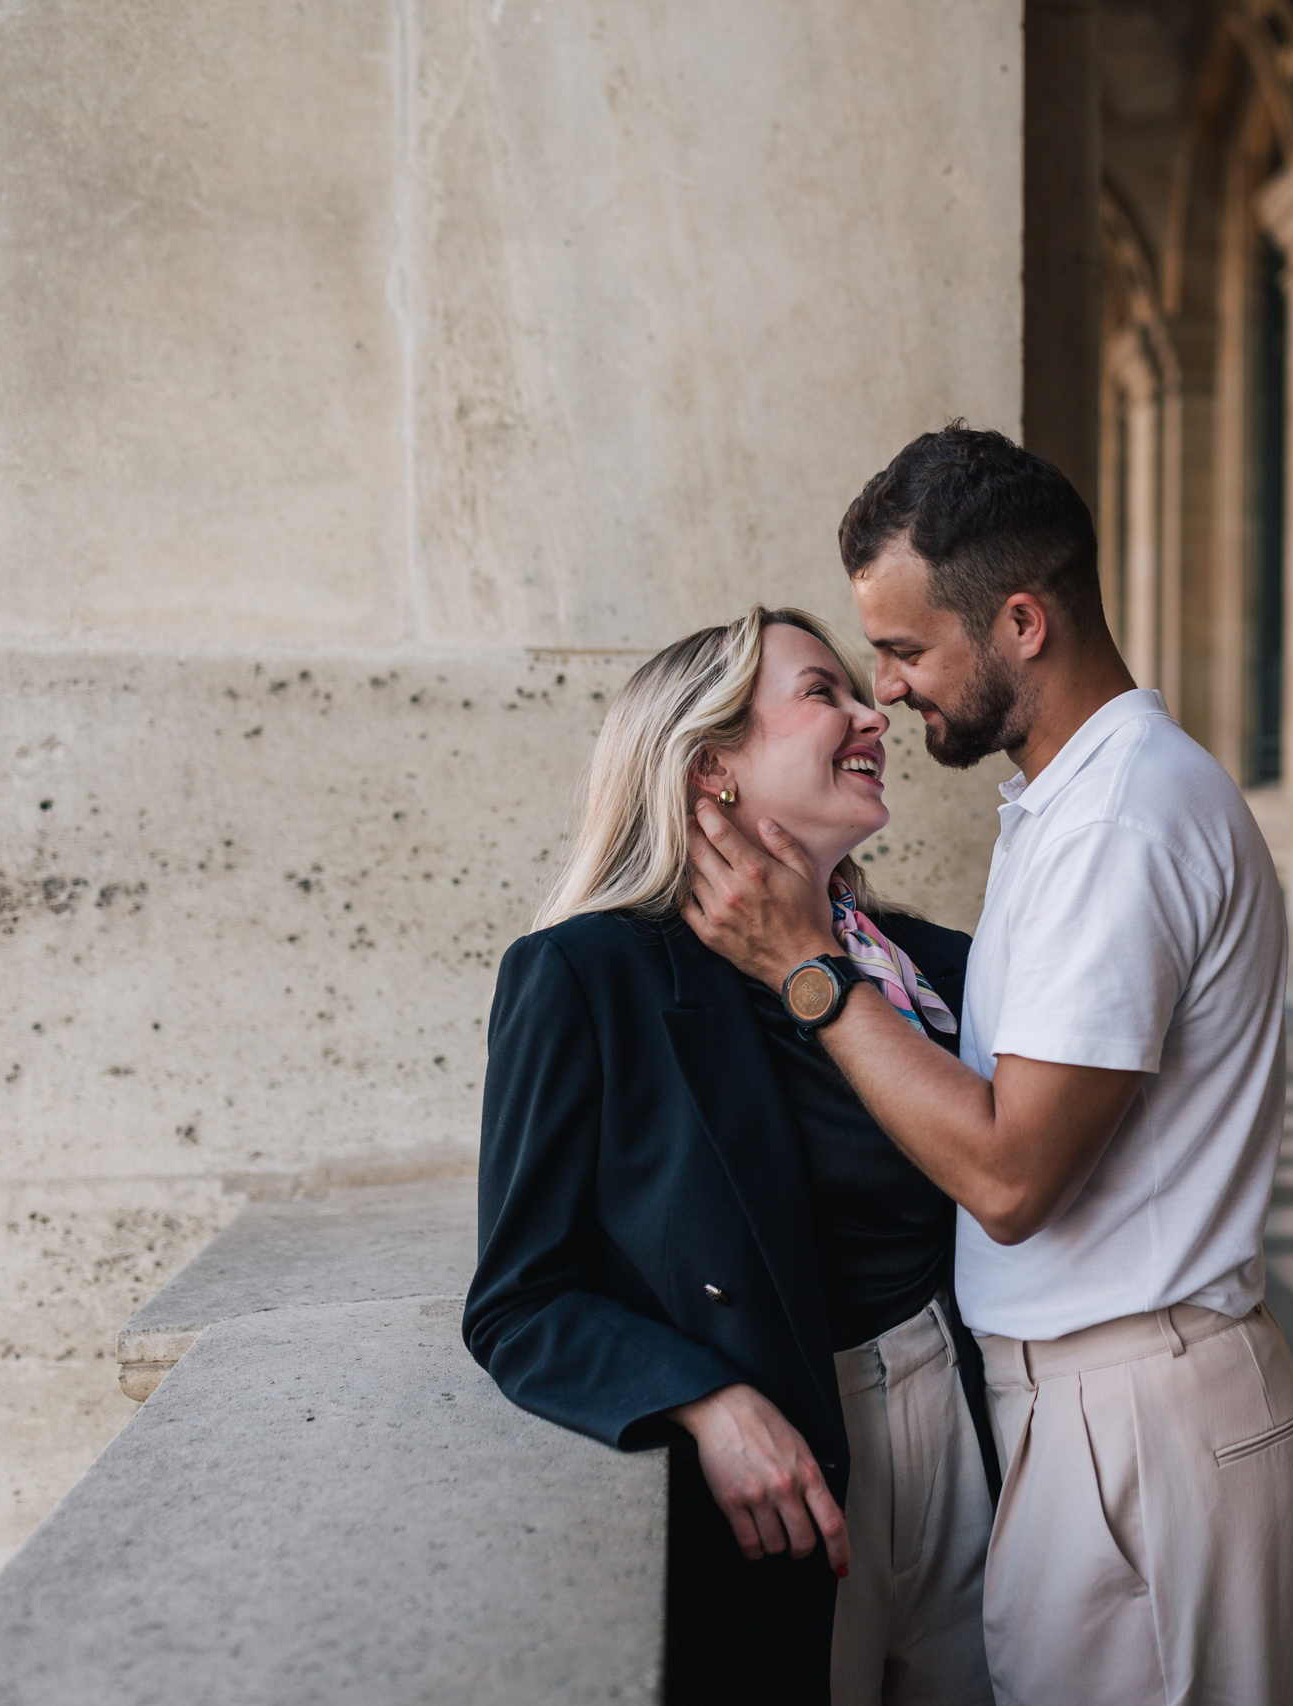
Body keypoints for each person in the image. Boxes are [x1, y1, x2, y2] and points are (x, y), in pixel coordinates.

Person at [682, 426, 1293, 1706]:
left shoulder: (1119, 822)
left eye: (908, 649)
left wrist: (812, 969)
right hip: (1094, 1404)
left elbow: (1012, 1173)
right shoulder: (1070, 803)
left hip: (1139, 1416)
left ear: (1021, 620)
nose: (886, 689)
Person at [464, 606, 998, 1706]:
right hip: (798, 1477)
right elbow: (519, 1299)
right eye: (824, 692)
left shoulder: (941, 964)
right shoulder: (584, 977)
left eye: (863, 686)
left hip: (977, 1434)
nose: (872, 709)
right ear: (711, 766)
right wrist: (705, 1397)